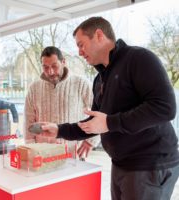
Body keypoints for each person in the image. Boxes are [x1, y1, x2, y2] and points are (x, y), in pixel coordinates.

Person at [40, 17, 179, 200]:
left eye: (81, 44)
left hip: (149, 164)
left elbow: (165, 107)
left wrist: (109, 122)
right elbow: (94, 124)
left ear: (99, 35)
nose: (79, 52)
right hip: (121, 164)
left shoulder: (138, 58)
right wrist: (59, 130)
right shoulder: (100, 79)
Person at [25, 46, 99, 158]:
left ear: (63, 62)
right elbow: (29, 120)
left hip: (73, 154)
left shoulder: (81, 84)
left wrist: (91, 140)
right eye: (45, 67)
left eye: (54, 66)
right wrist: (30, 147)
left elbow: (99, 112)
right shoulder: (34, 88)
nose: (50, 72)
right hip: (43, 155)